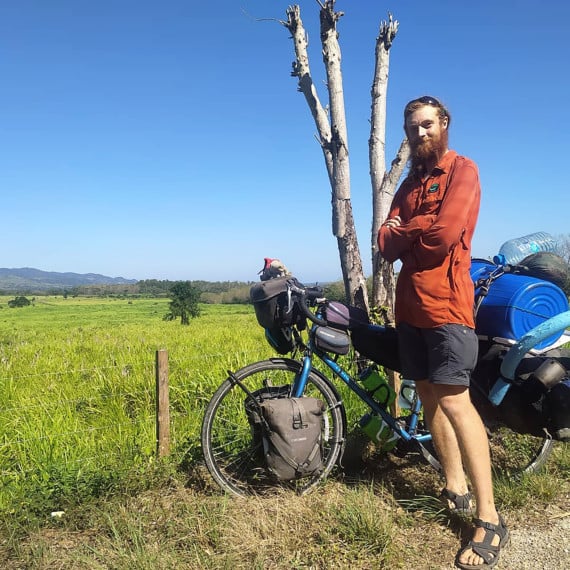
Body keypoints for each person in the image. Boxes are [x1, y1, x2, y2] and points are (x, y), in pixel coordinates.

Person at [378, 96, 509, 570]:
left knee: (455, 402)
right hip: (409, 308)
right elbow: (383, 244)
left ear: (444, 124)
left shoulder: (462, 170)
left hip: (448, 307)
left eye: (427, 124)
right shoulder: (409, 182)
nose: (420, 133)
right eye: (412, 127)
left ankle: (489, 517)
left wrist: (407, 230)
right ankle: (454, 485)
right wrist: (413, 229)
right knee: (428, 395)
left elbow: (444, 236)